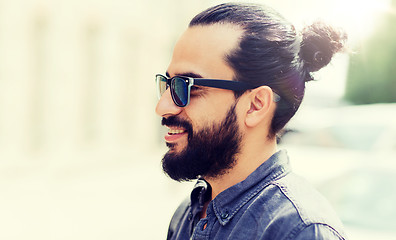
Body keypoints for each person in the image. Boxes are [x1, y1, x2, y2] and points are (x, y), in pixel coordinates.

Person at [155, 2, 348, 240]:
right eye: (168, 84)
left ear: (256, 105)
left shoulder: (301, 231)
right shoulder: (189, 212)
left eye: (187, 87)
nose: (162, 107)